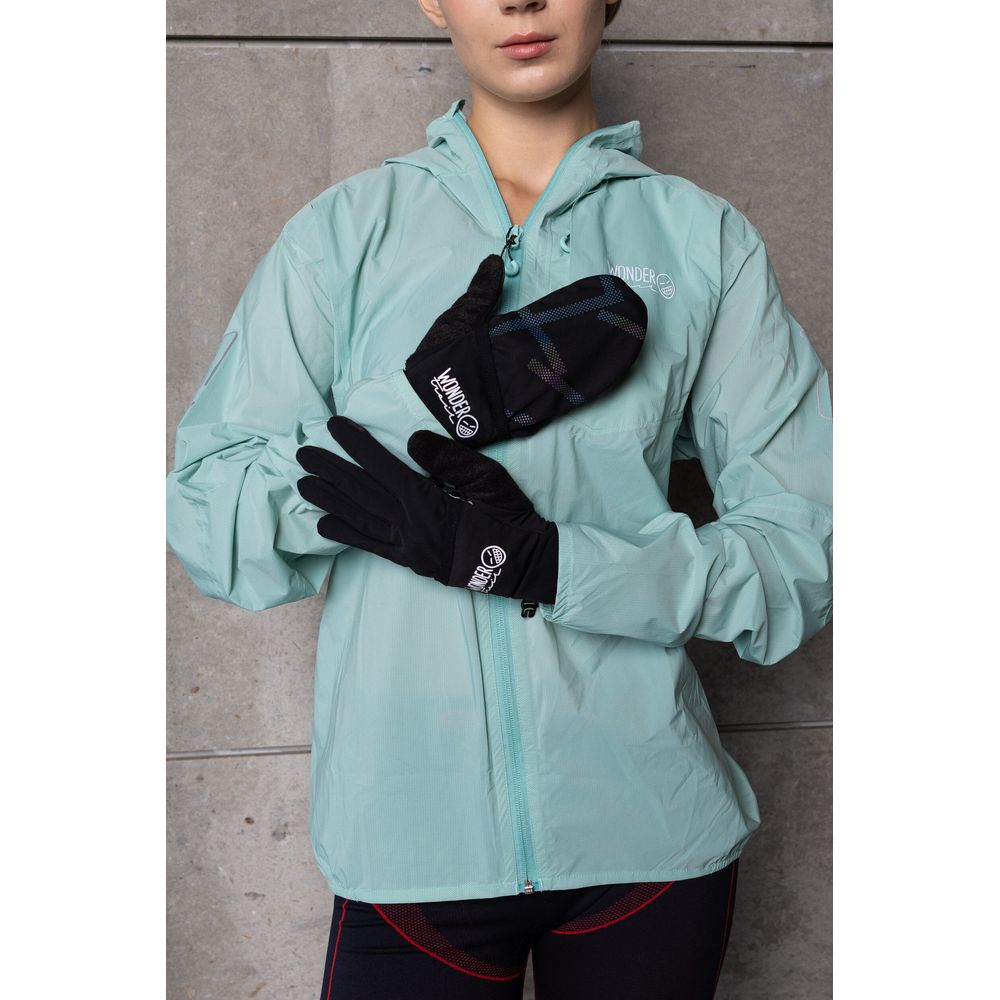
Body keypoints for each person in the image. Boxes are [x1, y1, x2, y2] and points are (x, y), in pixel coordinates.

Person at [166, 0, 833, 996]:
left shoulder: (702, 242)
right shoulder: (342, 236)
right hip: (407, 839)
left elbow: (805, 549)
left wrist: (557, 565)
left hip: (648, 837)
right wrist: (430, 405)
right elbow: (209, 522)